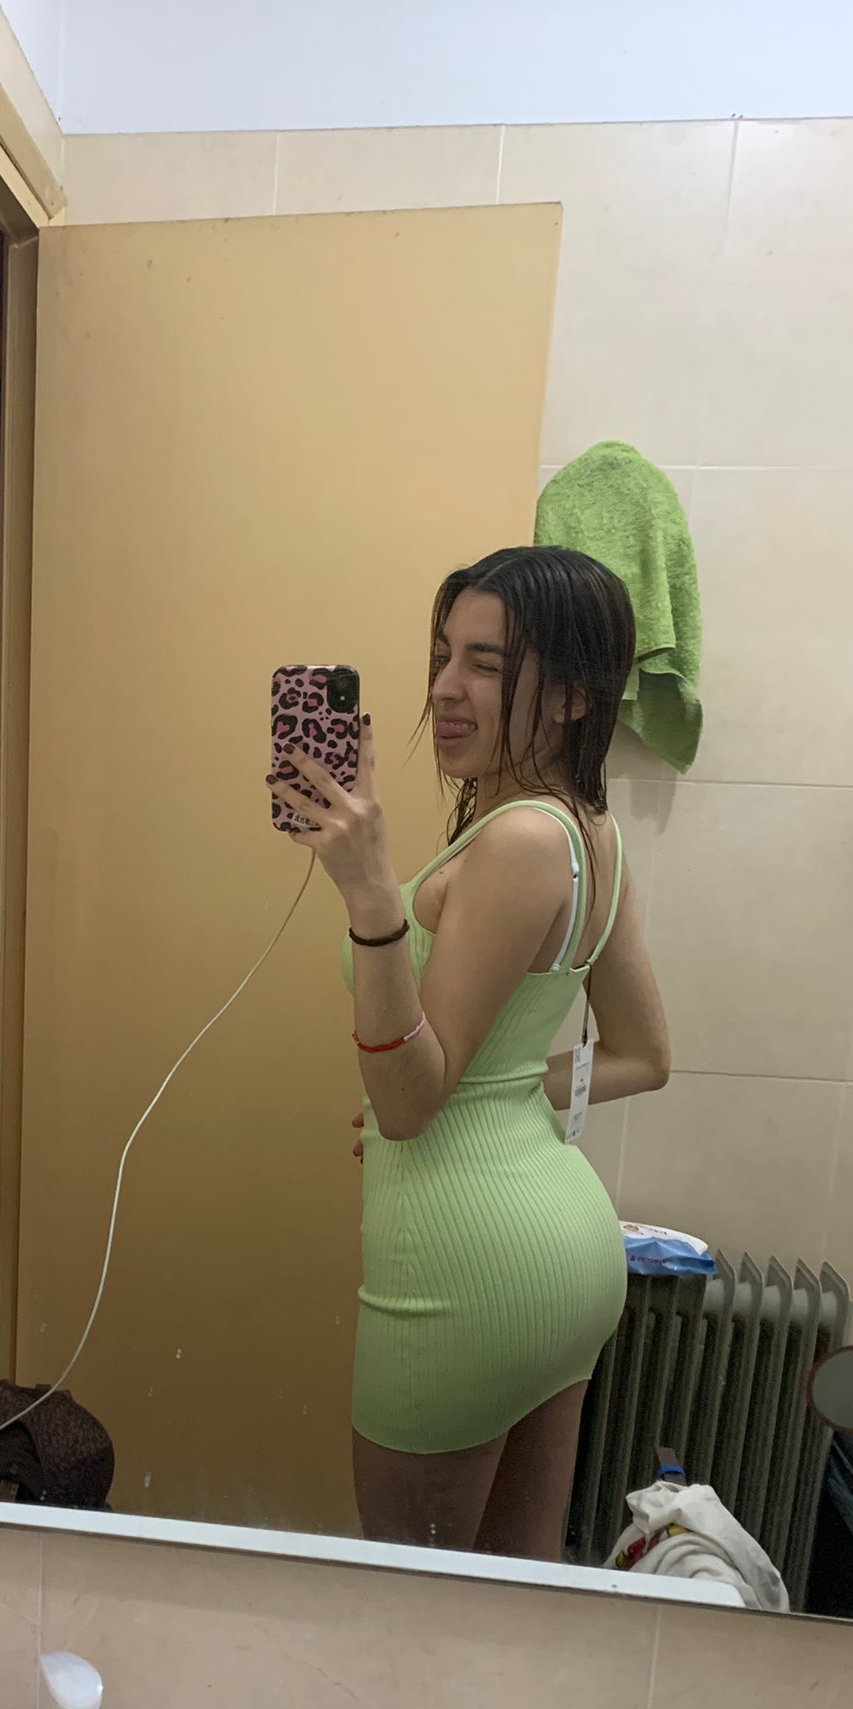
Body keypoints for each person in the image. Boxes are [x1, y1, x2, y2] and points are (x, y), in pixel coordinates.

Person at [272, 546, 669, 1561]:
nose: (445, 688)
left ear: (574, 696)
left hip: (465, 1267)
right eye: (444, 654)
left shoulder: (519, 842)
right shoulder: (587, 831)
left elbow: (410, 1103)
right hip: (564, 1254)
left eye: (486, 665)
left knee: (415, 1599)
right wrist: (491, 1093)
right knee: (513, 1591)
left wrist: (372, 896)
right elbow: (643, 1053)